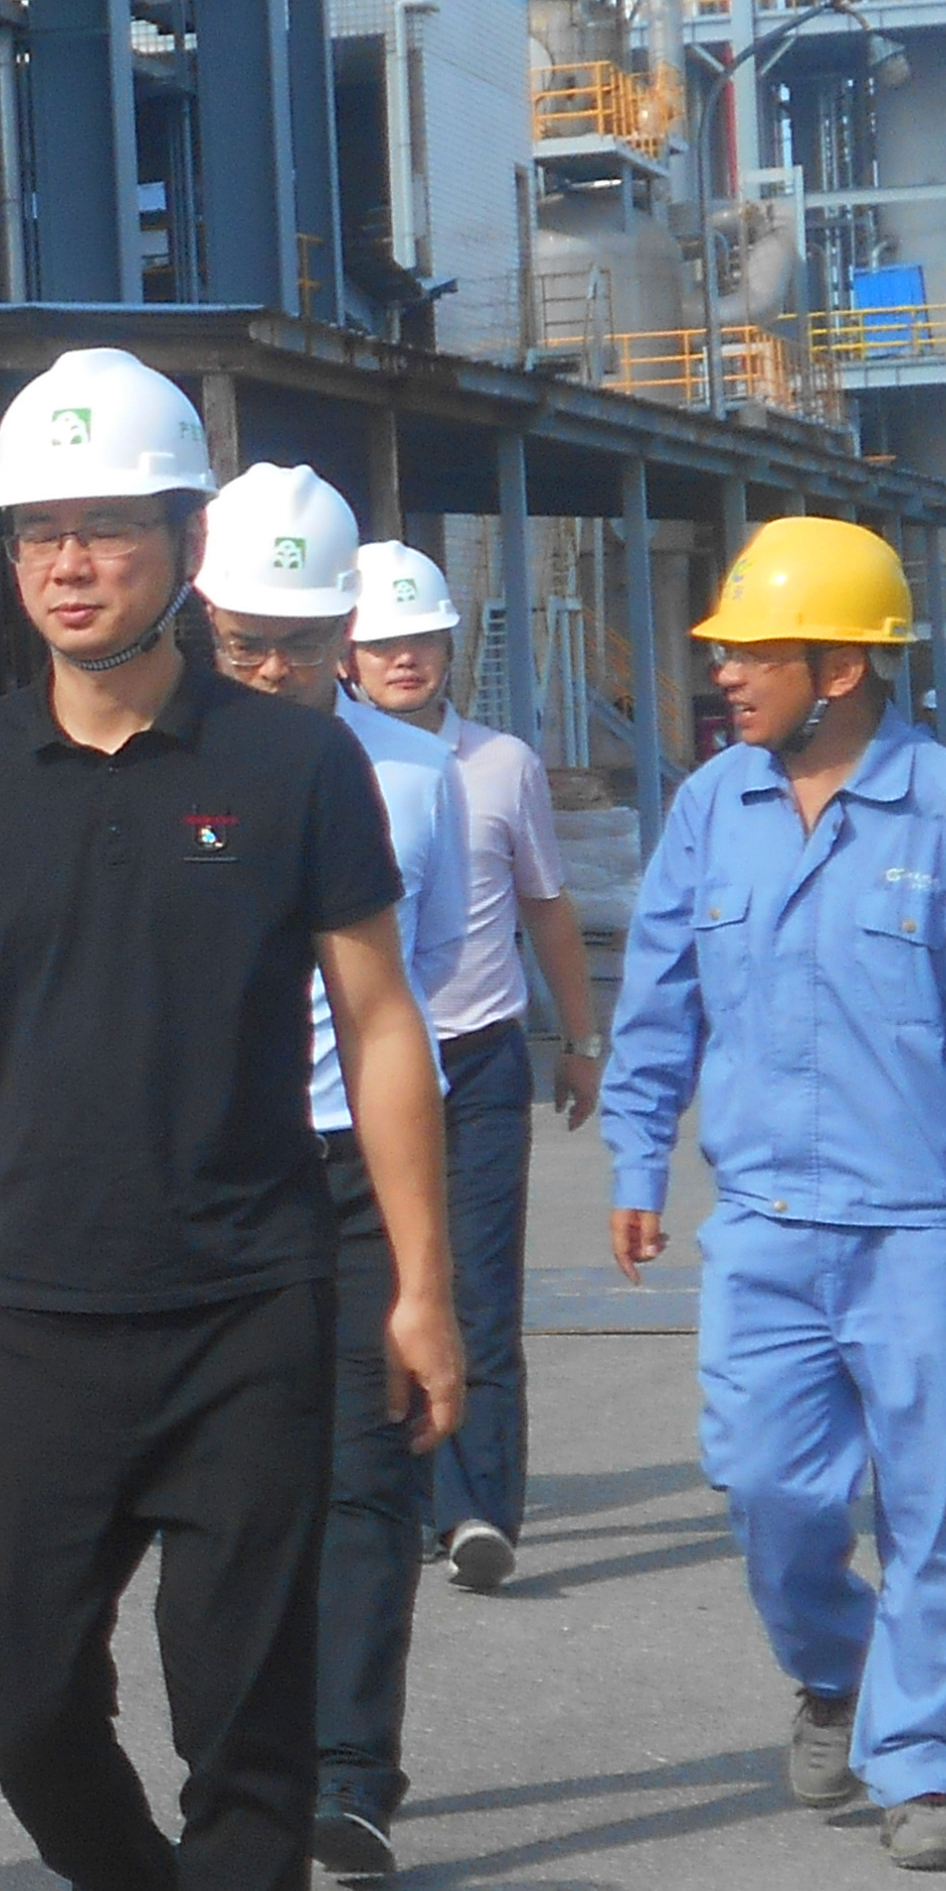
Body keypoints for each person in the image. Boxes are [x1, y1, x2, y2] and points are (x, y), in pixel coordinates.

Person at [0, 348, 462, 1891]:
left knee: (244, 1724)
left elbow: (381, 1023)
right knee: (17, 1695)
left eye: (104, 529)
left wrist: (422, 1286)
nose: (68, 563)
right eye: (38, 532)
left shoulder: (292, 764)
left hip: (247, 1306)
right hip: (34, 1312)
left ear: (183, 545)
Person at [603, 517, 946, 1875]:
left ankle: (923, 1767)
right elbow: (656, 996)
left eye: (755, 654)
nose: (725, 676)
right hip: (764, 1225)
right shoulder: (710, 810)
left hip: (922, 1231)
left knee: (924, 1505)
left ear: (839, 667)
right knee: (765, 1488)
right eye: (725, 654)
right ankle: (835, 1671)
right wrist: (636, 1155)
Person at [191, 470, 464, 1891]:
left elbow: (423, 991)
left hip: (356, 1163)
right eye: (245, 644)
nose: (272, 670)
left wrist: (427, 1273)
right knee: (236, 1486)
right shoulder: (155, 767)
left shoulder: (413, 778)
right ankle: (245, 1758)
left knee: (366, 1469)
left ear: (344, 629)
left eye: (299, 644)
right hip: (212, 1170)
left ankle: (352, 1772)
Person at [348, 541, 606, 1592]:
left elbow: (545, 905)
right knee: (374, 1287)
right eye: (381, 643)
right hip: (359, 1067)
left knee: (479, 1291)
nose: (402, 659)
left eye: (420, 639)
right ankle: (395, 1492)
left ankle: (476, 1510)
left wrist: (580, 1041)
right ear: (346, 655)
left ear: (450, 647)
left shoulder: (501, 765)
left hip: (478, 1057)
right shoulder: (330, 763)